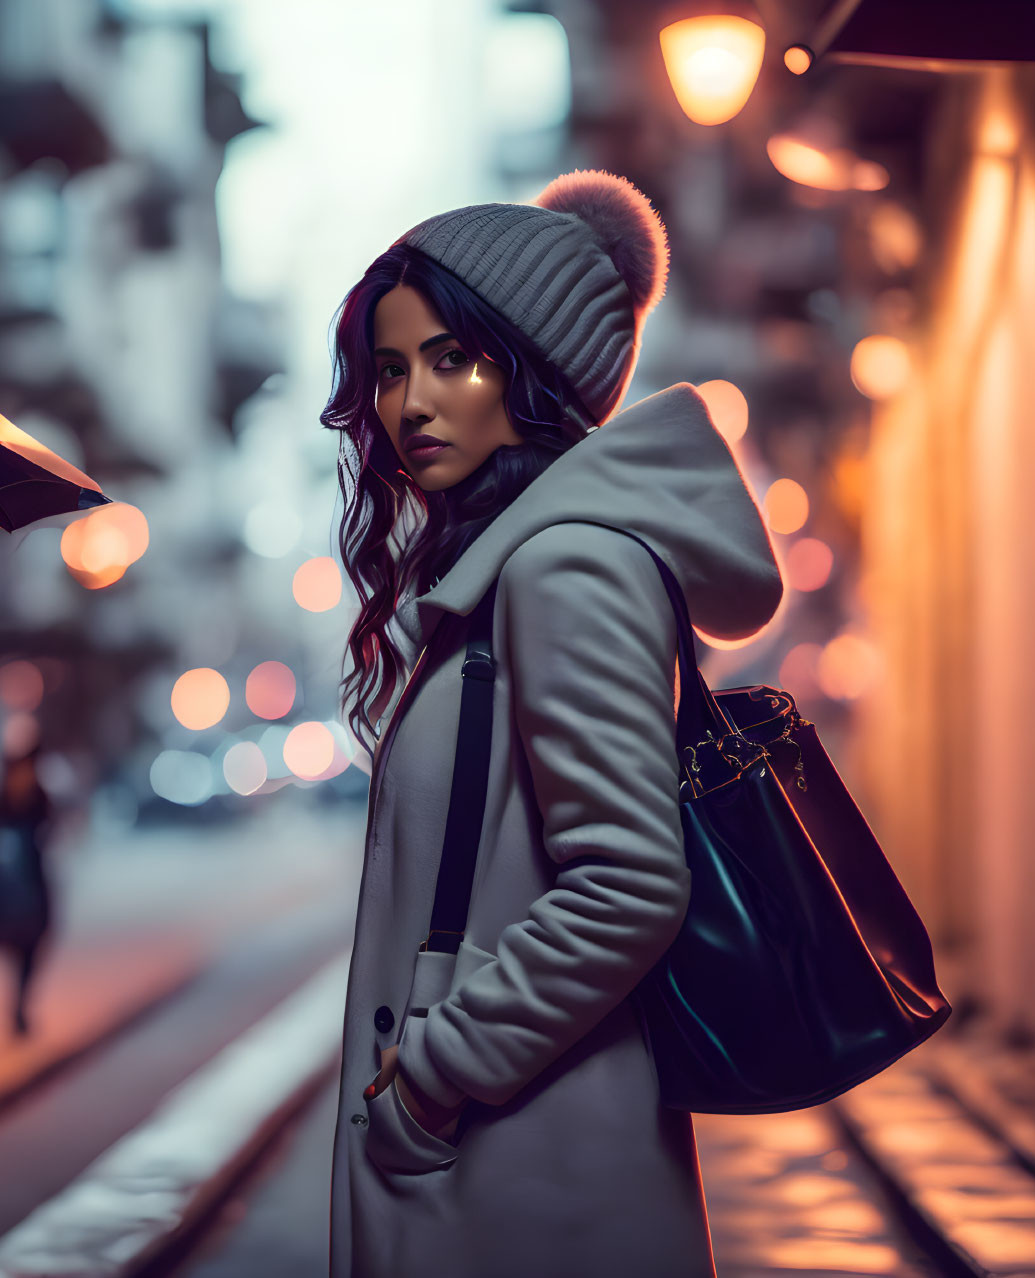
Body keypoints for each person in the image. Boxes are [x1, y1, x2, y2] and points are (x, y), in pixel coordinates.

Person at [321, 170, 783, 1277]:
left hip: (524, 1176)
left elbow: (628, 882)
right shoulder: (504, 575)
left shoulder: (564, 568)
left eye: (450, 359)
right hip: (511, 1162)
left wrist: (435, 1075)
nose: (408, 404)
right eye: (390, 370)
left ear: (536, 376)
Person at [0, 736, 54, 1038]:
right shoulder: (5, 801)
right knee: (22, 949)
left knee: (31, 949)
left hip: (25, 887)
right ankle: (17, 1008)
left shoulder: (32, 798)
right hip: (12, 890)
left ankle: (18, 1006)